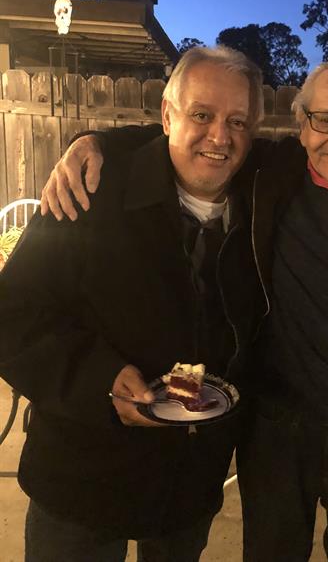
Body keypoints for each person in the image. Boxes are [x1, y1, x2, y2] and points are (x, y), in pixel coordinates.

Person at [41, 55, 328, 562]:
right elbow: (189, 138)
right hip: (276, 428)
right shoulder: (273, 173)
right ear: (302, 123)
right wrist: (93, 142)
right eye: (325, 119)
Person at [0, 46, 267, 562]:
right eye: (201, 115)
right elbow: (13, 316)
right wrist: (99, 379)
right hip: (80, 476)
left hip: (188, 483)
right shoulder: (90, 191)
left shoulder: (265, 199)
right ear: (166, 116)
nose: (220, 136)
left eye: (238, 121)